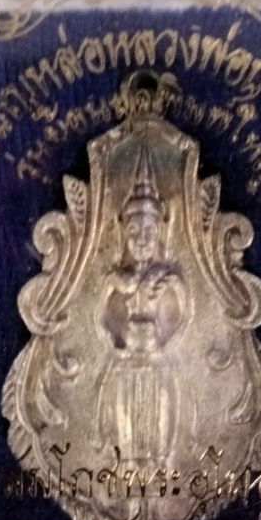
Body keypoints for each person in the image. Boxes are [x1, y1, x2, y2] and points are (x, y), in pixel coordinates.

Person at [96, 144, 187, 465]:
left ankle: (160, 459)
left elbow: (183, 315)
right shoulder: (117, 276)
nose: (142, 238)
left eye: (149, 230)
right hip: (127, 356)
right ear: (125, 234)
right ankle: (127, 459)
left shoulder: (167, 275)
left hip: (157, 355)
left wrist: (166, 342)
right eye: (134, 231)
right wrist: (114, 341)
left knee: (160, 403)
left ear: (160, 233)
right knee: (124, 405)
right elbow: (101, 316)